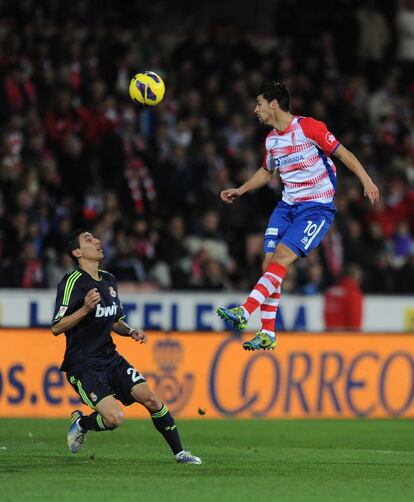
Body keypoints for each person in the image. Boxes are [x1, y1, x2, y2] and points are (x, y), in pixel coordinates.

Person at [217, 82, 379, 350]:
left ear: (273, 104)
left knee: (281, 257)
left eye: (259, 103)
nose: (255, 109)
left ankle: (245, 311)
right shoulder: (272, 140)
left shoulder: (310, 128)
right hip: (287, 206)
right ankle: (268, 333)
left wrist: (366, 180)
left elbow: (344, 153)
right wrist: (242, 189)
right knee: (267, 264)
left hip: (316, 208)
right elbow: (267, 172)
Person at [51, 228, 201, 464]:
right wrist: (84, 309)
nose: (97, 241)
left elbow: (115, 321)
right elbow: (57, 327)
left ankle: (180, 453)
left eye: (96, 237)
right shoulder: (72, 283)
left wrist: (130, 330)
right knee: (114, 418)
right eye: (88, 240)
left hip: (110, 358)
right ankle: (82, 422)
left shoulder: (109, 279)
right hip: (83, 365)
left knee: (150, 398)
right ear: (77, 252)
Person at [324, 264, 364, 331]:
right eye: (359, 278)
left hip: (329, 335)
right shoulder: (354, 294)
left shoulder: (330, 293)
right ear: (353, 277)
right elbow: (355, 320)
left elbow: (326, 316)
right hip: (346, 337)